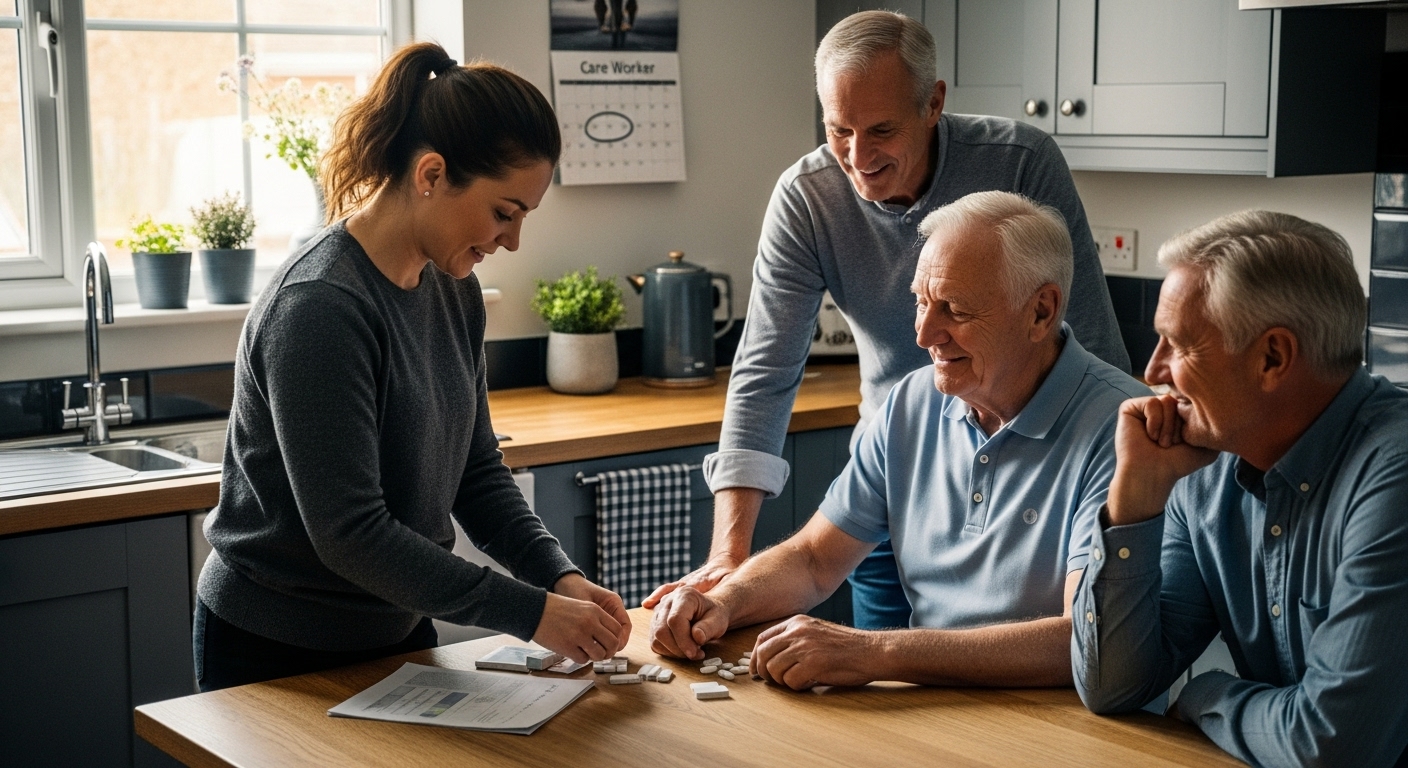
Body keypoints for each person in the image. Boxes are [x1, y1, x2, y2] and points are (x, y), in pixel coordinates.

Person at [644, 10, 1128, 630]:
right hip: (902, 467)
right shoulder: (809, 197)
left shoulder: (1019, 161)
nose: (857, 155)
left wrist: (1107, 482)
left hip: (1029, 476)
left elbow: (1093, 348)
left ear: (933, 104)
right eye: (838, 130)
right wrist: (727, 559)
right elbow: (764, 374)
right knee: (891, 697)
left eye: (881, 130)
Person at [194, 42, 631, 692]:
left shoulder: (451, 286)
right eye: (504, 212)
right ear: (430, 174)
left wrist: (556, 575)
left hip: (397, 633)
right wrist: (532, 613)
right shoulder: (320, 307)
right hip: (273, 652)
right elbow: (351, 535)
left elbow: (475, 470)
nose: (512, 240)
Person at [650, 192, 1147, 688]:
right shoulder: (912, 402)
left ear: (1040, 311)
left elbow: (1085, 638)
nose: (924, 333)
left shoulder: (1123, 430)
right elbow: (814, 559)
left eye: (953, 309)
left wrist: (875, 651)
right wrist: (724, 601)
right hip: (932, 712)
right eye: (920, 301)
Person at [1072, 211, 1408, 766]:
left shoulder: (1392, 478)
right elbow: (1111, 687)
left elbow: (1334, 746)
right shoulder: (1203, 464)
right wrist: (1134, 501)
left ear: (1272, 358)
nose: (1152, 369)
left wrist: (1208, 694)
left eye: (1178, 346)